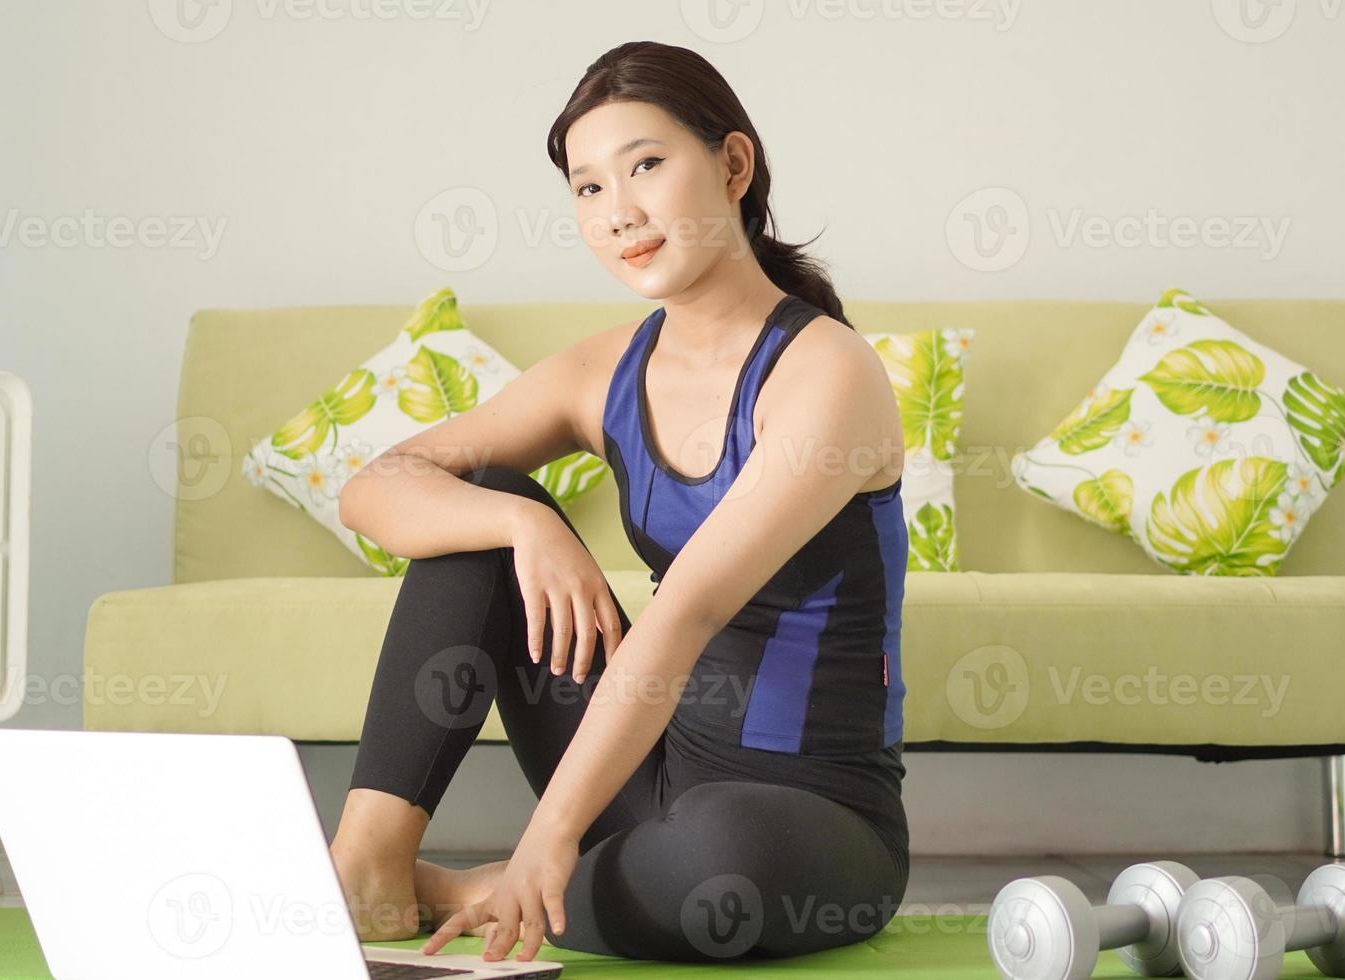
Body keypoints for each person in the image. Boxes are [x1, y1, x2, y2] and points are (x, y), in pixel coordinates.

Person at [328, 39, 910, 964]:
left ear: (732, 164)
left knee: (721, 860)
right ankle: (369, 867)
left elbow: (684, 616)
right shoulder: (602, 371)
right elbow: (373, 487)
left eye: (645, 166)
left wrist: (544, 840)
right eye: (589, 188)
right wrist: (522, 523)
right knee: (478, 497)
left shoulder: (824, 373)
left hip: (806, 815)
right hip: (643, 775)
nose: (619, 212)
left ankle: (482, 889)